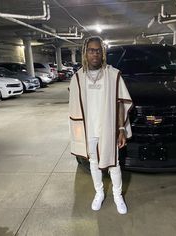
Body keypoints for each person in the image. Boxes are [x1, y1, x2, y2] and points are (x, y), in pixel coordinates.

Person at [69, 36, 133, 214]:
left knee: (114, 163)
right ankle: (99, 193)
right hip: (89, 130)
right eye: (91, 50)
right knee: (94, 163)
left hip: (109, 128)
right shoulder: (77, 78)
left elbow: (120, 103)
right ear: (85, 53)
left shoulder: (113, 75)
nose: (95, 53)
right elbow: (74, 107)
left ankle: (117, 195)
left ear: (102, 53)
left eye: (98, 50)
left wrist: (121, 129)